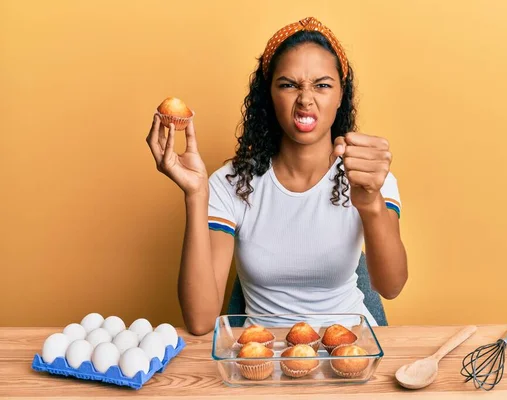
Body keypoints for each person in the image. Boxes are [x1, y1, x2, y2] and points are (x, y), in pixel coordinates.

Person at [146, 17, 408, 334]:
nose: (306, 100)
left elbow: (391, 287)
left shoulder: (367, 174)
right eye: (288, 85)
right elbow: (201, 322)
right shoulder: (230, 183)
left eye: (323, 85)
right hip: (261, 357)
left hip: (350, 347)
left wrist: (370, 202)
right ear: (269, 95)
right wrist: (196, 194)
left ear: (341, 95)